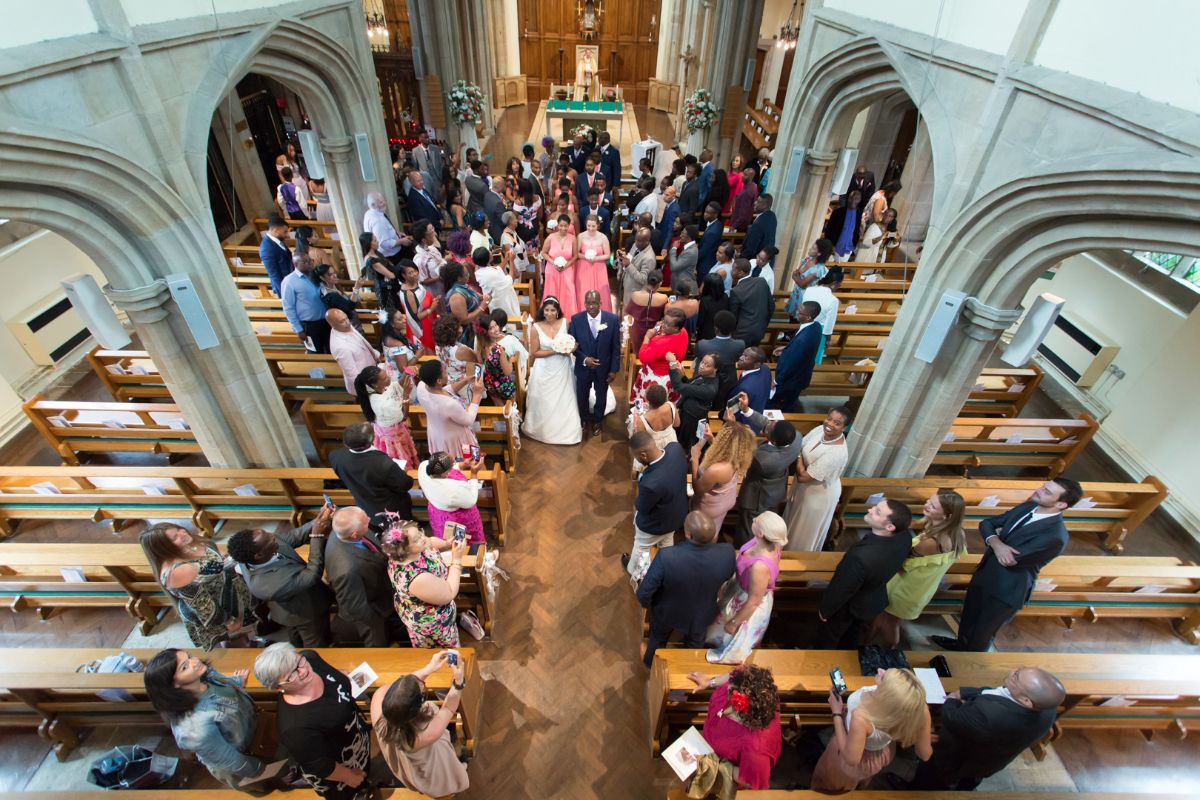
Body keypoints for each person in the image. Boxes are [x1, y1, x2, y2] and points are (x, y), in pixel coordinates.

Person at [932, 478, 1080, 652]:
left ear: (1062, 504)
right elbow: (987, 523)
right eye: (1043, 486)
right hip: (985, 574)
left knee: (982, 633)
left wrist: (997, 538)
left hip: (1006, 590)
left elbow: (1011, 559)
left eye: (1047, 492)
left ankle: (967, 662)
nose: (1039, 490)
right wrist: (997, 542)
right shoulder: (1028, 507)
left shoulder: (1055, 536)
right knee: (968, 617)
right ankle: (959, 644)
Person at [909, 667, 1065, 791]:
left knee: (931, 779)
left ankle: (913, 791)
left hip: (956, 758)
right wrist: (964, 693)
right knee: (969, 781)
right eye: (1019, 670)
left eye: (1016, 677)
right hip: (989, 759)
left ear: (1026, 701)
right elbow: (995, 692)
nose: (1011, 673)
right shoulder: (1047, 709)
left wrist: (952, 698)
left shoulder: (989, 716)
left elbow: (951, 717)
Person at [143, 649, 275, 791]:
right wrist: (263, 771)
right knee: (269, 786)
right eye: (185, 667)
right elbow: (232, 760)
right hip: (245, 757)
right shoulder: (194, 728)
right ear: (173, 684)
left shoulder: (202, 675)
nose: (195, 662)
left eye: (189, 657)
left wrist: (237, 681)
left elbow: (224, 683)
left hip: (253, 728)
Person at [254, 643, 371, 800]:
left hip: (355, 738)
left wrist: (345, 677)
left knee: (366, 774)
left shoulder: (309, 658)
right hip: (339, 768)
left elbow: (333, 674)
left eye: (298, 662)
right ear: (278, 688)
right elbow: (321, 766)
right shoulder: (294, 728)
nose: (303, 671)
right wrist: (349, 777)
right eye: (291, 675)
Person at [636, 511, 736, 667]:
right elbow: (727, 579)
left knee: (657, 641)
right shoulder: (727, 553)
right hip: (702, 613)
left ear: (688, 534)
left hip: (667, 612)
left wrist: (649, 604)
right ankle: (688, 670)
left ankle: (650, 665)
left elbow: (645, 592)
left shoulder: (667, 556)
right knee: (694, 647)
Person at [227, 506, 335, 647]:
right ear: (259, 555)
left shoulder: (264, 546)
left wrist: (321, 519)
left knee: (295, 636)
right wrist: (316, 536)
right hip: (304, 612)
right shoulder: (263, 585)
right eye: (269, 539)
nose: (273, 536)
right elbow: (311, 575)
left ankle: (295, 644)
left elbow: (295, 536)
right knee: (316, 642)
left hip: (291, 601)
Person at [872, 490, 967, 649]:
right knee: (886, 617)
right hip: (923, 586)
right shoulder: (958, 533)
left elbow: (902, 562)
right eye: (929, 501)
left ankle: (888, 647)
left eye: (933, 506)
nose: (927, 505)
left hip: (904, 587)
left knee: (890, 621)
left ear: (946, 516)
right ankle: (871, 637)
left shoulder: (931, 542)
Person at [812, 667, 933, 792]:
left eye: (883, 677)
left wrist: (836, 713)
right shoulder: (918, 707)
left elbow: (850, 758)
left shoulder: (860, 717)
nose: (880, 670)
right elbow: (925, 754)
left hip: (853, 752)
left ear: (886, 694)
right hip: (880, 752)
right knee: (860, 780)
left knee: (832, 783)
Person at [140, 523, 257, 651]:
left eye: (179, 530)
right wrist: (229, 621)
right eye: (175, 538)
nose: (183, 534)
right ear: (164, 548)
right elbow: (204, 607)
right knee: (235, 638)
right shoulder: (177, 572)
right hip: (216, 609)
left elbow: (215, 559)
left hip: (230, 590)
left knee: (249, 624)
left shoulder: (189, 543)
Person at [371, 651, 470, 797]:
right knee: (445, 780)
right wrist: (459, 682)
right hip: (431, 765)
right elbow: (449, 707)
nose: (422, 685)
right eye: (422, 690)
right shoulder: (426, 734)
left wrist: (429, 668)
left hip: (405, 758)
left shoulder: (378, 700)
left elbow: (400, 689)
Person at [817, 499, 913, 648]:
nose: (870, 510)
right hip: (872, 598)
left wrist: (825, 610)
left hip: (850, 605)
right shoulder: (905, 537)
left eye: (877, 512)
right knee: (852, 635)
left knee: (830, 636)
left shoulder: (860, 556)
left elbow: (842, 588)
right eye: (875, 507)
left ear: (890, 526)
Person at [705, 511, 786, 663]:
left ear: (761, 533)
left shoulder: (760, 566)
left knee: (730, 637)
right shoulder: (767, 543)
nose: (753, 519)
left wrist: (734, 623)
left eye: (757, 521)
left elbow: (754, 601)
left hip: (746, 600)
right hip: (739, 588)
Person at [684, 664, 782, 790]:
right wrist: (710, 682)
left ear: (746, 717)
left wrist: (714, 766)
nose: (727, 687)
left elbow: (750, 781)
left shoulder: (755, 752)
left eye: (732, 693)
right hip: (709, 745)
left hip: (718, 767)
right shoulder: (753, 687)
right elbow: (734, 675)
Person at [327, 506, 402, 647]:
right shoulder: (346, 571)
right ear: (354, 534)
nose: (369, 520)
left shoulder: (343, 532)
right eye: (366, 522)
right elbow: (355, 607)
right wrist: (380, 616)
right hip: (376, 606)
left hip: (381, 586)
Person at [382, 519, 464, 647]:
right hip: (431, 622)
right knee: (444, 654)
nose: (422, 537)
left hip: (431, 595)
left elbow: (430, 541)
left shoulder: (410, 550)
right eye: (416, 539)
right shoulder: (417, 577)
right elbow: (449, 592)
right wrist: (457, 560)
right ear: (404, 550)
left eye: (419, 532)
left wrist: (446, 544)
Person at [783, 406, 853, 551]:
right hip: (804, 486)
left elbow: (803, 477)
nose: (830, 424)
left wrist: (798, 457)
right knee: (791, 517)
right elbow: (801, 445)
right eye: (829, 419)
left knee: (802, 531)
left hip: (818, 494)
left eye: (837, 423)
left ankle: (793, 557)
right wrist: (800, 456)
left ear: (844, 427)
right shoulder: (820, 429)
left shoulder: (837, 453)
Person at [732, 403, 802, 546]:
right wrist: (746, 410)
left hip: (756, 498)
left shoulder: (762, 460)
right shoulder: (796, 438)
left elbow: (739, 456)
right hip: (775, 490)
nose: (769, 423)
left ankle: (742, 552)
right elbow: (767, 424)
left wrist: (735, 427)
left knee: (749, 528)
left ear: (772, 440)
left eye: (770, 426)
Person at [625, 432, 689, 579]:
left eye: (636, 457)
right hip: (676, 517)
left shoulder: (650, 483)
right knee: (666, 543)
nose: (637, 460)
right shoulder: (675, 448)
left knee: (641, 546)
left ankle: (633, 570)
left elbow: (642, 508)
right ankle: (666, 568)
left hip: (654, 525)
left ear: (643, 455)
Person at [329, 421, 415, 525]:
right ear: (370, 441)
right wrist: (401, 472)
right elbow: (406, 484)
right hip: (391, 510)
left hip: (365, 506)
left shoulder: (335, 457)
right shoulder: (383, 463)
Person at [523, 296, 582, 445]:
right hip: (544, 367)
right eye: (547, 310)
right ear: (543, 310)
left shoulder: (565, 322)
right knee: (545, 399)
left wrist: (571, 347)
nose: (549, 313)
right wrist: (556, 351)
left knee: (565, 397)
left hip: (563, 367)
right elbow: (534, 352)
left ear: (557, 311)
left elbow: (575, 341)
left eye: (553, 310)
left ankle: (567, 430)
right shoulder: (536, 327)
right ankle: (543, 428)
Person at [568, 289, 620, 438]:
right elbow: (572, 345)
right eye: (588, 303)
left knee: (601, 395)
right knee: (582, 395)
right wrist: (585, 359)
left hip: (603, 368)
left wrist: (614, 370)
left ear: (600, 303)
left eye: (594, 303)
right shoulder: (576, 319)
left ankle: (598, 420)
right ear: (584, 303)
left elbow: (616, 347)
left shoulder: (612, 319)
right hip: (583, 367)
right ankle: (583, 419)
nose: (591, 306)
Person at [690, 416, 756, 530]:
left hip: (710, 507)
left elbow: (697, 489)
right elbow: (727, 452)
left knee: (703, 533)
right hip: (726, 499)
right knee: (715, 527)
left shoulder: (716, 470)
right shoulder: (739, 456)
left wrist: (694, 461)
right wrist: (711, 439)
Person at [414, 358, 482, 457]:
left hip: (438, 434)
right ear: (439, 380)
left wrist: (465, 381)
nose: (447, 372)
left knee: (449, 462)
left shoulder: (422, 387)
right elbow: (469, 420)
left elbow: (444, 390)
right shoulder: (449, 404)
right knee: (468, 459)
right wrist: (476, 394)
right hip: (456, 439)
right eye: (445, 371)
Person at [354, 364, 420, 466]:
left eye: (386, 375)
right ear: (375, 384)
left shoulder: (379, 388)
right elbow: (404, 416)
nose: (389, 378)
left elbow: (395, 386)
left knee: (407, 452)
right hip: (393, 437)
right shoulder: (382, 405)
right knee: (401, 460)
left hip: (395, 429)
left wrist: (405, 374)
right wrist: (406, 395)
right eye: (385, 378)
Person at [419, 452, 486, 548]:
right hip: (456, 519)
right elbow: (471, 499)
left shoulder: (424, 467)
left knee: (447, 539)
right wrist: (474, 474)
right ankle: (473, 556)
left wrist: (462, 464)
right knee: (461, 542)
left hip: (437, 512)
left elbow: (444, 470)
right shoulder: (453, 489)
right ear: (445, 473)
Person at [768, 300, 822, 411]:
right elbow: (801, 349)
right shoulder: (816, 326)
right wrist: (786, 348)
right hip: (802, 373)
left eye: (800, 312)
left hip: (791, 379)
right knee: (791, 399)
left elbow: (790, 365)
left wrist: (776, 381)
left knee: (780, 403)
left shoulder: (802, 341)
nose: (797, 312)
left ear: (808, 317)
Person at [630, 308, 689, 406]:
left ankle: (642, 419)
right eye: (664, 321)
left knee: (649, 406)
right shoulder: (683, 332)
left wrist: (647, 337)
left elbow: (643, 357)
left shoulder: (662, 343)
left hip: (657, 378)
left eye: (667, 324)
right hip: (674, 375)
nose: (663, 325)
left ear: (675, 328)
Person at [666, 350, 718, 450]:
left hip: (691, 422)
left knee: (687, 448)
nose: (702, 366)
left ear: (716, 369)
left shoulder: (710, 389)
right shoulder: (705, 374)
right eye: (702, 362)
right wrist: (683, 377)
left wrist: (672, 363)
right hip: (687, 414)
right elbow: (691, 385)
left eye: (707, 365)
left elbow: (679, 387)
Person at [694, 310, 744, 410]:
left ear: (716, 328)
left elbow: (699, 363)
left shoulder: (702, 344)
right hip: (728, 381)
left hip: (707, 381)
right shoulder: (740, 344)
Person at [281, 253, 330, 353]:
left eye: (310, 260)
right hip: (309, 325)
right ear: (295, 264)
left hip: (326, 321)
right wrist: (298, 329)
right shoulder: (289, 281)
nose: (309, 264)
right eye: (305, 262)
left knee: (331, 350)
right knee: (316, 353)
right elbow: (288, 307)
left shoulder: (316, 276)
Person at [326, 309, 377, 394]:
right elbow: (352, 374)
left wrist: (374, 355)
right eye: (342, 321)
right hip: (365, 382)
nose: (347, 322)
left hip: (371, 369)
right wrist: (369, 388)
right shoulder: (340, 347)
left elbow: (362, 341)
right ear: (332, 324)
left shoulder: (344, 326)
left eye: (346, 318)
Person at [785, 238, 835, 320]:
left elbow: (803, 285)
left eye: (813, 248)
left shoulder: (818, 269)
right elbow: (797, 272)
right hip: (796, 293)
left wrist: (795, 278)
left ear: (819, 253)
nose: (810, 249)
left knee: (798, 318)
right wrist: (797, 277)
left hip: (804, 297)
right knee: (791, 317)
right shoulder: (807, 259)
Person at [803, 264, 843, 364]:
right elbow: (829, 324)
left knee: (801, 354)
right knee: (812, 361)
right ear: (835, 283)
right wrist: (828, 340)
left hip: (804, 326)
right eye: (840, 284)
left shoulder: (809, 290)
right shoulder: (833, 300)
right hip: (819, 332)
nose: (840, 287)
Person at [541, 213, 579, 317]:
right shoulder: (550, 237)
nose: (563, 228)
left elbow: (575, 256)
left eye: (565, 226)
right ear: (557, 225)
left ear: (569, 226)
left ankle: (568, 316)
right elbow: (543, 253)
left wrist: (566, 265)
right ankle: (551, 315)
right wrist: (554, 263)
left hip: (567, 270)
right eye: (561, 225)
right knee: (552, 292)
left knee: (569, 292)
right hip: (552, 270)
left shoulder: (573, 238)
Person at [729, 259, 772, 348]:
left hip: (741, 334)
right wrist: (763, 324)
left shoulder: (736, 291)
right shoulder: (761, 282)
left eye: (733, 269)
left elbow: (733, 317)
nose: (731, 271)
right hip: (759, 330)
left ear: (740, 273)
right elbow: (771, 306)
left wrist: (732, 334)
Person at [624, 269, 669, 353]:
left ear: (647, 280)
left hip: (637, 331)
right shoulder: (664, 298)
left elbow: (627, 312)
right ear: (660, 283)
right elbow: (665, 315)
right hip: (655, 331)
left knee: (638, 354)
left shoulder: (635, 295)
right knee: (652, 355)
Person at [575, 213, 612, 312]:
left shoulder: (603, 237)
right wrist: (586, 257)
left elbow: (608, 255)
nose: (591, 228)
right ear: (586, 225)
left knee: (600, 291)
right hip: (583, 267)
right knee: (583, 290)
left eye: (593, 226)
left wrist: (595, 259)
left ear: (598, 225)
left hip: (599, 268)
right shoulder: (581, 236)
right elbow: (577, 253)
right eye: (588, 226)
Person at [629, 383, 678, 455]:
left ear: (647, 400)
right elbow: (677, 424)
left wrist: (636, 418)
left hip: (654, 448)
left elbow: (640, 440)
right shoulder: (671, 405)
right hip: (671, 442)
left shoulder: (642, 420)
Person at [473, 243, 520, 319]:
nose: (491, 252)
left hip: (494, 303)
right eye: (489, 252)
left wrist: (506, 259)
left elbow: (498, 269)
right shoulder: (493, 274)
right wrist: (511, 261)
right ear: (488, 258)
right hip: (502, 302)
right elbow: (511, 278)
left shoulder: (478, 271)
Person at [364, 191, 411, 265]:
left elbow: (385, 230)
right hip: (392, 255)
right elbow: (383, 243)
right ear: (373, 205)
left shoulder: (370, 212)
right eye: (381, 202)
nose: (384, 203)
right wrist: (401, 241)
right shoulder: (377, 221)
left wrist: (397, 233)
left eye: (383, 200)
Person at [480, 312, 517, 403]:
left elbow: (480, 361)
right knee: (510, 409)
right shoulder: (498, 349)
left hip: (490, 383)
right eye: (491, 328)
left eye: (495, 325)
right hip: (503, 385)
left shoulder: (481, 344)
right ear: (486, 332)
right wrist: (510, 358)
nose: (496, 329)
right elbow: (508, 372)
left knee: (499, 407)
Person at [399, 263, 437, 351]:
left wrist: (433, 302)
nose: (414, 274)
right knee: (428, 351)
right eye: (410, 273)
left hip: (429, 323)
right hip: (422, 327)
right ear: (403, 275)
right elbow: (415, 317)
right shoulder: (409, 293)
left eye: (415, 271)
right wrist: (432, 308)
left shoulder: (416, 284)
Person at [361, 230, 399, 310]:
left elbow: (390, 265)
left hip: (390, 284)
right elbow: (391, 275)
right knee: (394, 310)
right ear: (369, 244)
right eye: (375, 240)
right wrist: (390, 272)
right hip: (385, 290)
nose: (378, 242)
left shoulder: (376, 253)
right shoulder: (371, 260)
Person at [618, 225, 656, 304]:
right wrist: (624, 257)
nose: (636, 242)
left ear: (647, 241)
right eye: (636, 239)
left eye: (639, 241)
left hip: (636, 292)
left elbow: (643, 279)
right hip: (627, 285)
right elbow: (631, 258)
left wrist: (628, 265)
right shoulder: (636, 245)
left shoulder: (649, 258)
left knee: (631, 315)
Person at [730, 348, 771, 420]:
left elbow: (734, 411)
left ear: (756, 365)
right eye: (743, 354)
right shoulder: (765, 368)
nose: (740, 358)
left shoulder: (745, 388)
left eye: (746, 357)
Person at [258, 216, 293, 296]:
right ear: (276, 231)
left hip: (290, 280)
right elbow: (274, 275)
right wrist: (284, 294)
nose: (287, 235)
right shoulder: (266, 249)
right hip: (285, 286)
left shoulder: (276, 239)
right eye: (285, 232)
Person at [696, 272, 731, 344]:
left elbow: (700, 320)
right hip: (721, 331)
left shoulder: (704, 300)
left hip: (706, 333)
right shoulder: (725, 296)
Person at [826, 191, 863, 260]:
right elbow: (828, 229)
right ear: (848, 198)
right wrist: (830, 245)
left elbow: (856, 230)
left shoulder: (858, 214)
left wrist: (854, 244)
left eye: (856, 199)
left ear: (859, 200)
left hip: (848, 249)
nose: (853, 201)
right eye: (851, 198)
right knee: (827, 268)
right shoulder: (838, 212)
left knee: (839, 269)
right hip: (834, 247)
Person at [740, 193, 776, 259]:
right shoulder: (772, 216)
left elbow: (751, 248)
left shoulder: (758, 224)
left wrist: (741, 257)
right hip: (766, 258)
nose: (755, 203)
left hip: (756, 260)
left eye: (758, 202)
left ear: (765, 205)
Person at [695, 202, 724, 280]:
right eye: (705, 211)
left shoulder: (712, 232)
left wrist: (693, 261)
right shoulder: (717, 224)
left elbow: (704, 251)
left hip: (704, 265)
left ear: (715, 215)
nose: (705, 214)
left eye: (708, 213)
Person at [667, 224, 698, 293]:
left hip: (685, 290)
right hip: (681, 286)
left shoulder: (691, 251)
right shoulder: (689, 247)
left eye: (683, 234)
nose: (680, 236)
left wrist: (674, 248)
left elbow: (674, 267)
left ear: (689, 237)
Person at [729, 166, 759, 232]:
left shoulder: (748, 191)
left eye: (745, 175)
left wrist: (733, 226)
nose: (742, 176)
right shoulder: (753, 186)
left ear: (750, 177)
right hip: (741, 223)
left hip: (739, 226)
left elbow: (743, 212)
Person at [652, 186, 679, 252]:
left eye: (667, 195)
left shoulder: (674, 210)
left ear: (673, 196)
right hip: (662, 235)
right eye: (664, 194)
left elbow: (671, 230)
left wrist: (665, 247)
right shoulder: (669, 205)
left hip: (665, 240)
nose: (664, 196)